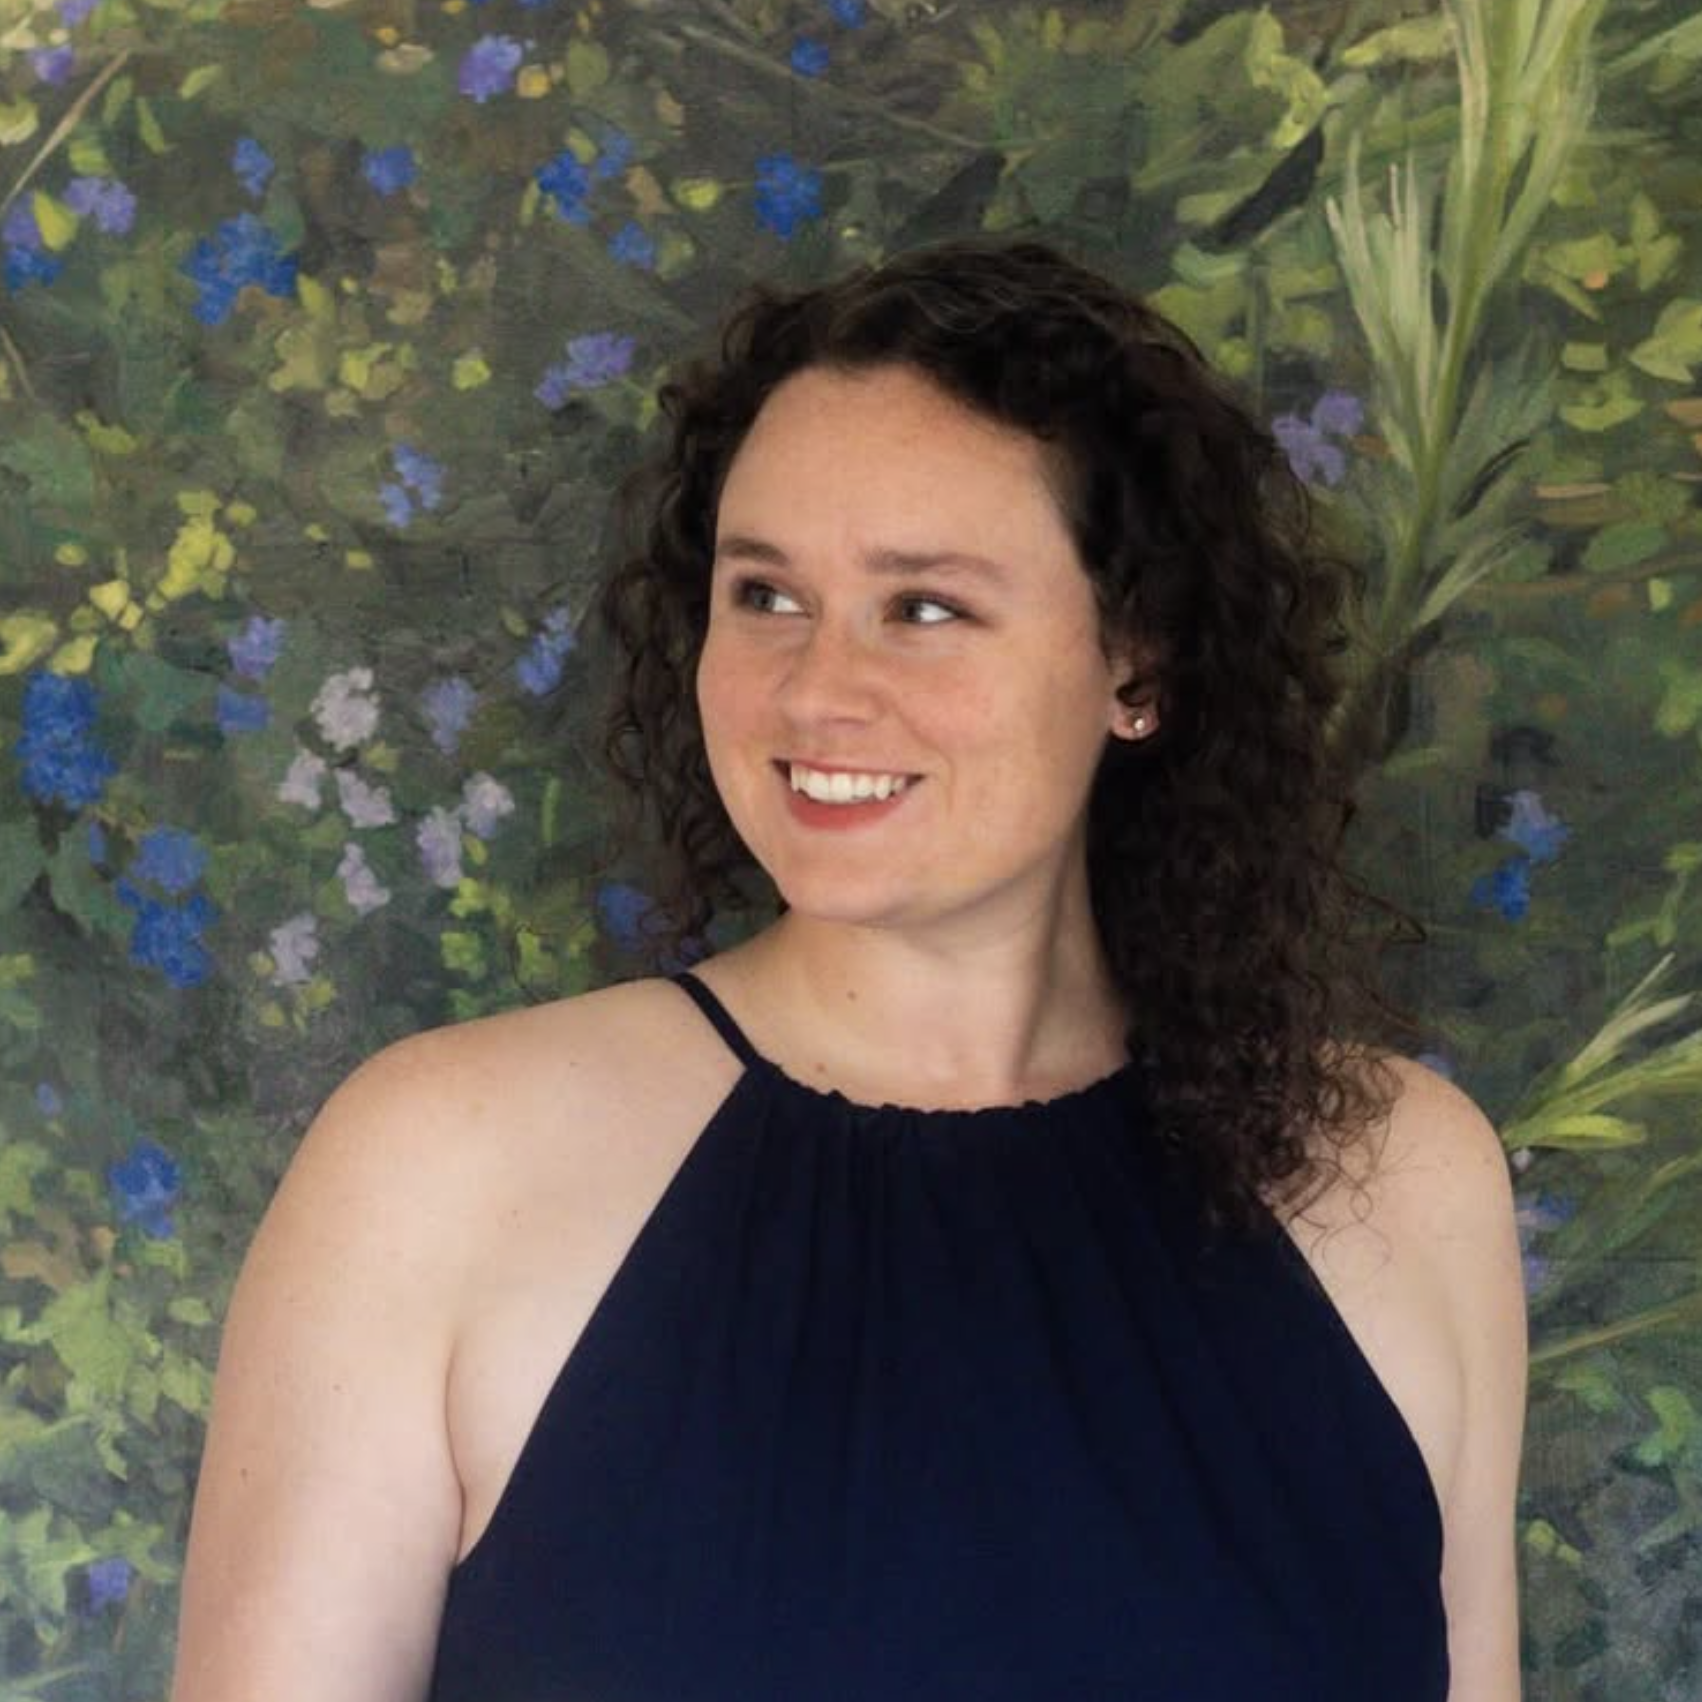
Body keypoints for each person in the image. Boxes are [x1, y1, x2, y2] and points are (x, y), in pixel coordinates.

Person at [171, 239, 1526, 1702]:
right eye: (764, 594)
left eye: (922, 606)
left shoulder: (1396, 1177)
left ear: (1134, 661)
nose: (815, 689)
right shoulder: (439, 1165)